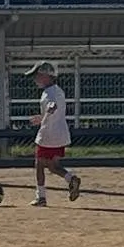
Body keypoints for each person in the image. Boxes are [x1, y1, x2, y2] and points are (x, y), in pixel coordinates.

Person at [27, 61, 81, 206]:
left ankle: (41, 197)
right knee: (52, 165)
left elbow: (52, 106)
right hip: (60, 133)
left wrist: (43, 119)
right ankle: (71, 178)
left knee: (39, 163)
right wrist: (43, 117)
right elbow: (53, 109)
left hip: (48, 134)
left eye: (37, 76)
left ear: (45, 76)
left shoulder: (49, 93)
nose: (35, 79)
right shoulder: (58, 90)